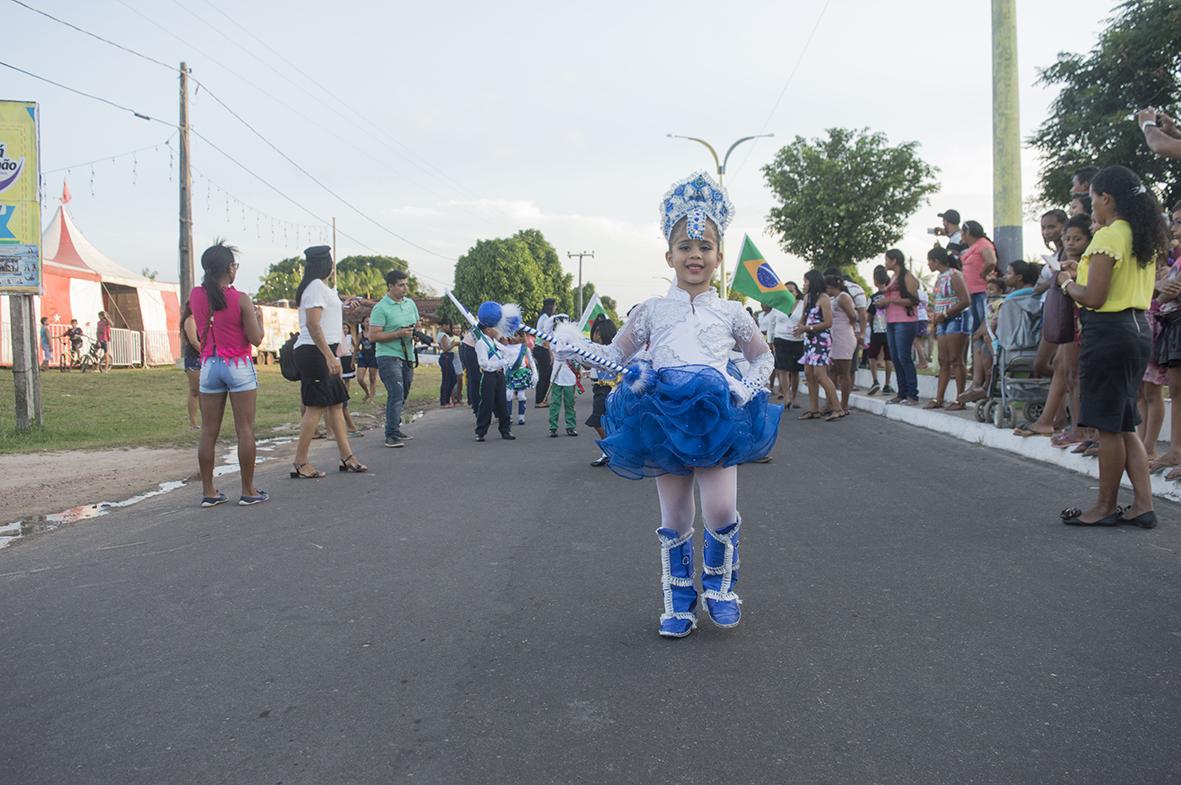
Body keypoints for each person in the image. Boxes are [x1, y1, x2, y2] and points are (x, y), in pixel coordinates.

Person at [551, 171, 778, 638]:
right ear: (669, 255)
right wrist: (575, 347)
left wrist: (746, 389)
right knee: (675, 516)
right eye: (685, 247)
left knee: (720, 510)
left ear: (718, 257)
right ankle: (679, 601)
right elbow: (615, 356)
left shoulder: (732, 312)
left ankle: (721, 589)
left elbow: (763, 356)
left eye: (705, 247)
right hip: (663, 417)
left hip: (717, 418)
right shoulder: (651, 310)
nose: (695, 255)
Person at [1055, 165, 1168, 528]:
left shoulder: (1108, 237)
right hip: (1137, 330)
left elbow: (1094, 297)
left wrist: (1067, 283)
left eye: (1092, 201)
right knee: (1123, 424)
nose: (1091, 209)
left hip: (1109, 332)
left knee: (1107, 426)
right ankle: (1142, 505)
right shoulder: (1142, 236)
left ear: (1106, 199)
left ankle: (1103, 506)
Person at [188, 240, 268, 507]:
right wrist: (260, 320)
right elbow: (256, 339)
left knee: (209, 431)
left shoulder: (196, 295)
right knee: (244, 429)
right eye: (235, 265)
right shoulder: (240, 298)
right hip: (237, 364)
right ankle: (248, 490)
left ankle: (209, 492)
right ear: (230, 269)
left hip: (209, 364)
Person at [290, 246, 367, 478]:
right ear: (326, 264)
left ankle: (347, 457)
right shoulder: (314, 287)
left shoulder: (321, 288)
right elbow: (313, 325)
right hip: (315, 352)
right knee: (315, 407)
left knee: (336, 404)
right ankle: (300, 463)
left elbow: (325, 316)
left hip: (325, 350)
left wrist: (343, 306)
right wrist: (329, 356)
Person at [369, 269, 418, 448]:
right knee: (396, 392)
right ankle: (390, 434)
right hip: (388, 356)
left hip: (407, 355)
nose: (405, 288)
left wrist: (415, 334)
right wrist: (398, 333)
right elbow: (373, 336)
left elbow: (416, 325)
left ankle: (395, 427)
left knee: (404, 391)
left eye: (406, 284)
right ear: (390, 286)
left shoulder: (410, 304)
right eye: (400, 285)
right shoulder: (381, 307)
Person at [926, 246, 970, 409]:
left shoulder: (955, 275)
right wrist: (936, 321)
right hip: (942, 321)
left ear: (936, 261)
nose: (928, 264)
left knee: (956, 360)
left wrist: (945, 314)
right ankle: (939, 398)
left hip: (956, 319)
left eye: (930, 260)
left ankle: (960, 399)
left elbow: (965, 300)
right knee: (943, 360)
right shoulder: (939, 278)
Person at [795, 269, 842, 421]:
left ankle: (837, 408)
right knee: (809, 374)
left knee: (820, 375)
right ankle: (814, 409)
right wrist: (799, 327)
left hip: (820, 339)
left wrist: (807, 328)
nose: (804, 284)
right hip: (809, 339)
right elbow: (804, 317)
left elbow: (828, 322)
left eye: (806, 281)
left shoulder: (824, 298)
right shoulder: (808, 298)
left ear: (813, 282)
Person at [882, 249, 921, 405]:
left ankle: (912, 394)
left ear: (894, 261)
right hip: (891, 320)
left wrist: (890, 301)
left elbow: (914, 300)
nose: (885, 263)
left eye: (887, 260)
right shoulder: (893, 278)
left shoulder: (907, 277)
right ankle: (902, 392)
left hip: (905, 320)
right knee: (896, 357)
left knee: (904, 357)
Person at [472, 302, 516, 442]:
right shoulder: (481, 343)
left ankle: (505, 430)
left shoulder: (493, 341)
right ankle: (480, 432)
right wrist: (500, 362)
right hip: (489, 376)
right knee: (487, 403)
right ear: (488, 328)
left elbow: (506, 351)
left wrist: (507, 356)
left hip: (499, 376)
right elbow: (483, 363)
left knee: (502, 404)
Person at [585, 318, 619, 466]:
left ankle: (610, 450)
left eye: (598, 332)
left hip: (609, 389)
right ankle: (609, 451)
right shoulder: (593, 349)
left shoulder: (615, 350)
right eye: (595, 332)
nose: (595, 336)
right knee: (603, 421)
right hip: (598, 388)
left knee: (597, 419)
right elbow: (585, 364)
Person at [824, 273, 859, 415]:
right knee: (832, 371)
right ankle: (832, 403)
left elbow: (853, 316)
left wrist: (847, 327)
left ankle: (844, 405)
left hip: (844, 336)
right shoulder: (834, 299)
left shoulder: (843, 297)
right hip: (834, 337)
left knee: (844, 372)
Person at [771, 281, 804, 409]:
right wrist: (770, 340)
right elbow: (771, 324)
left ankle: (794, 397)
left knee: (795, 371)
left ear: (797, 292)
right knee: (783, 370)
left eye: (791, 290)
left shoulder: (803, 305)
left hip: (797, 341)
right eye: (786, 290)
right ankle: (786, 398)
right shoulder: (777, 305)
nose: (789, 293)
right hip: (780, 339)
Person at [548, 314, 581, 436]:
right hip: (557, 373)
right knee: (555, 402)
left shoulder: (574, 338)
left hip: (569, 374)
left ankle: (570, 427)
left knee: (569, 402)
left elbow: (576, 353)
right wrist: (553, 318)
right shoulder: (554, 338)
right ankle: (553, 427)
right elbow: (546, 330)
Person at [865, 266, 894, 396]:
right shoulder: (891, 296)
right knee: (889, 357)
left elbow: (868, 317)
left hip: (876, 330)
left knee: (872, 356)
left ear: (875, 281)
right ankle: (887, 384)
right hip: (890, 330)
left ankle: (875, 380)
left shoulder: (873, 297)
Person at [505, 334, 536, 425]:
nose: (513, 338)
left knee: (521, 396)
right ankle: (508, 416)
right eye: (511, 335)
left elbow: (531, 361)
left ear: (520, 337)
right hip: (510, 374)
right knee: (508, 395)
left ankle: (521, 416)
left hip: (521, 373)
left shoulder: (524, 348)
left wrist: (535, 373)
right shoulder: (506, 347)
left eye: (515, 335)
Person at [337, 322, 362, 436]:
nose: (345, 329)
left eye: (346, 328)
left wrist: (353, 358)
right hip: (338, 359)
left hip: (347, 357)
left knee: (347, 379)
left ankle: (345, 394)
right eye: (343, 328)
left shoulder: (349, 337)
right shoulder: (337, 337)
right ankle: (349, 428)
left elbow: (355, 347)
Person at [181, 301, 202, 430]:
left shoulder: (201, 319)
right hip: (194, 358)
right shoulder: (190, 320)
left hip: (202, 357)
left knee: (203, 391)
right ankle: (193, 423)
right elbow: (194, 341)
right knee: (195, 391)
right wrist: (206, 352)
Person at [534, 298, 557, 407]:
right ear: (551, 307)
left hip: (542, 349)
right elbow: (545, 339)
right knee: (544, 376)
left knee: (546, 375)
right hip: (542, 349)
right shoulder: (546, 319)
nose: (555, 308)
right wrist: (551, 354)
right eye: (554, 306)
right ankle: (539, 400)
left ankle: (543, 399)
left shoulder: (544, 317)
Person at [354, 317, 378, 403]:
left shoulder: (374, 334)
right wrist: (352, 361)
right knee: (360, 378)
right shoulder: (361, 334)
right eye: (367, 321)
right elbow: (356, 348)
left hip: (373, 357)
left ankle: (371, 398)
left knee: (372, 378)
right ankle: (367, 393)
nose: (368, 323)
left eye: (370, 321)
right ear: (363, 323)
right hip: (363, 357)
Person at [437, 322, 459, 408]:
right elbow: (445, 348)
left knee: (451, 379)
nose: (449, 328)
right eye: (448, 326)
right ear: (444, 325)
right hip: (446, 357)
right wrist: (454, 344)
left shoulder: (440, 335)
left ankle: (445, 400)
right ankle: (444, 401)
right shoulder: (443, 336)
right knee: (448, 380)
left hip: (447, 357)